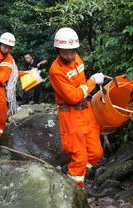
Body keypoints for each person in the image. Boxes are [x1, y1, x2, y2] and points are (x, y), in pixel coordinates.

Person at [49, 27, 104, 188]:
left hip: (86, 110)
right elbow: (73, 96)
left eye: (72, 51)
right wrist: (93, 82)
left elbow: (81, 84)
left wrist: (89, 87)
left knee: (95, 153)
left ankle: (73, 173)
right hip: (70, 115)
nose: (70, 55)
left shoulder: (77, 59)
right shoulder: (56, 71)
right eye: (65, 52)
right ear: (58, 50)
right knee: (80, 157)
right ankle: (74, 191)